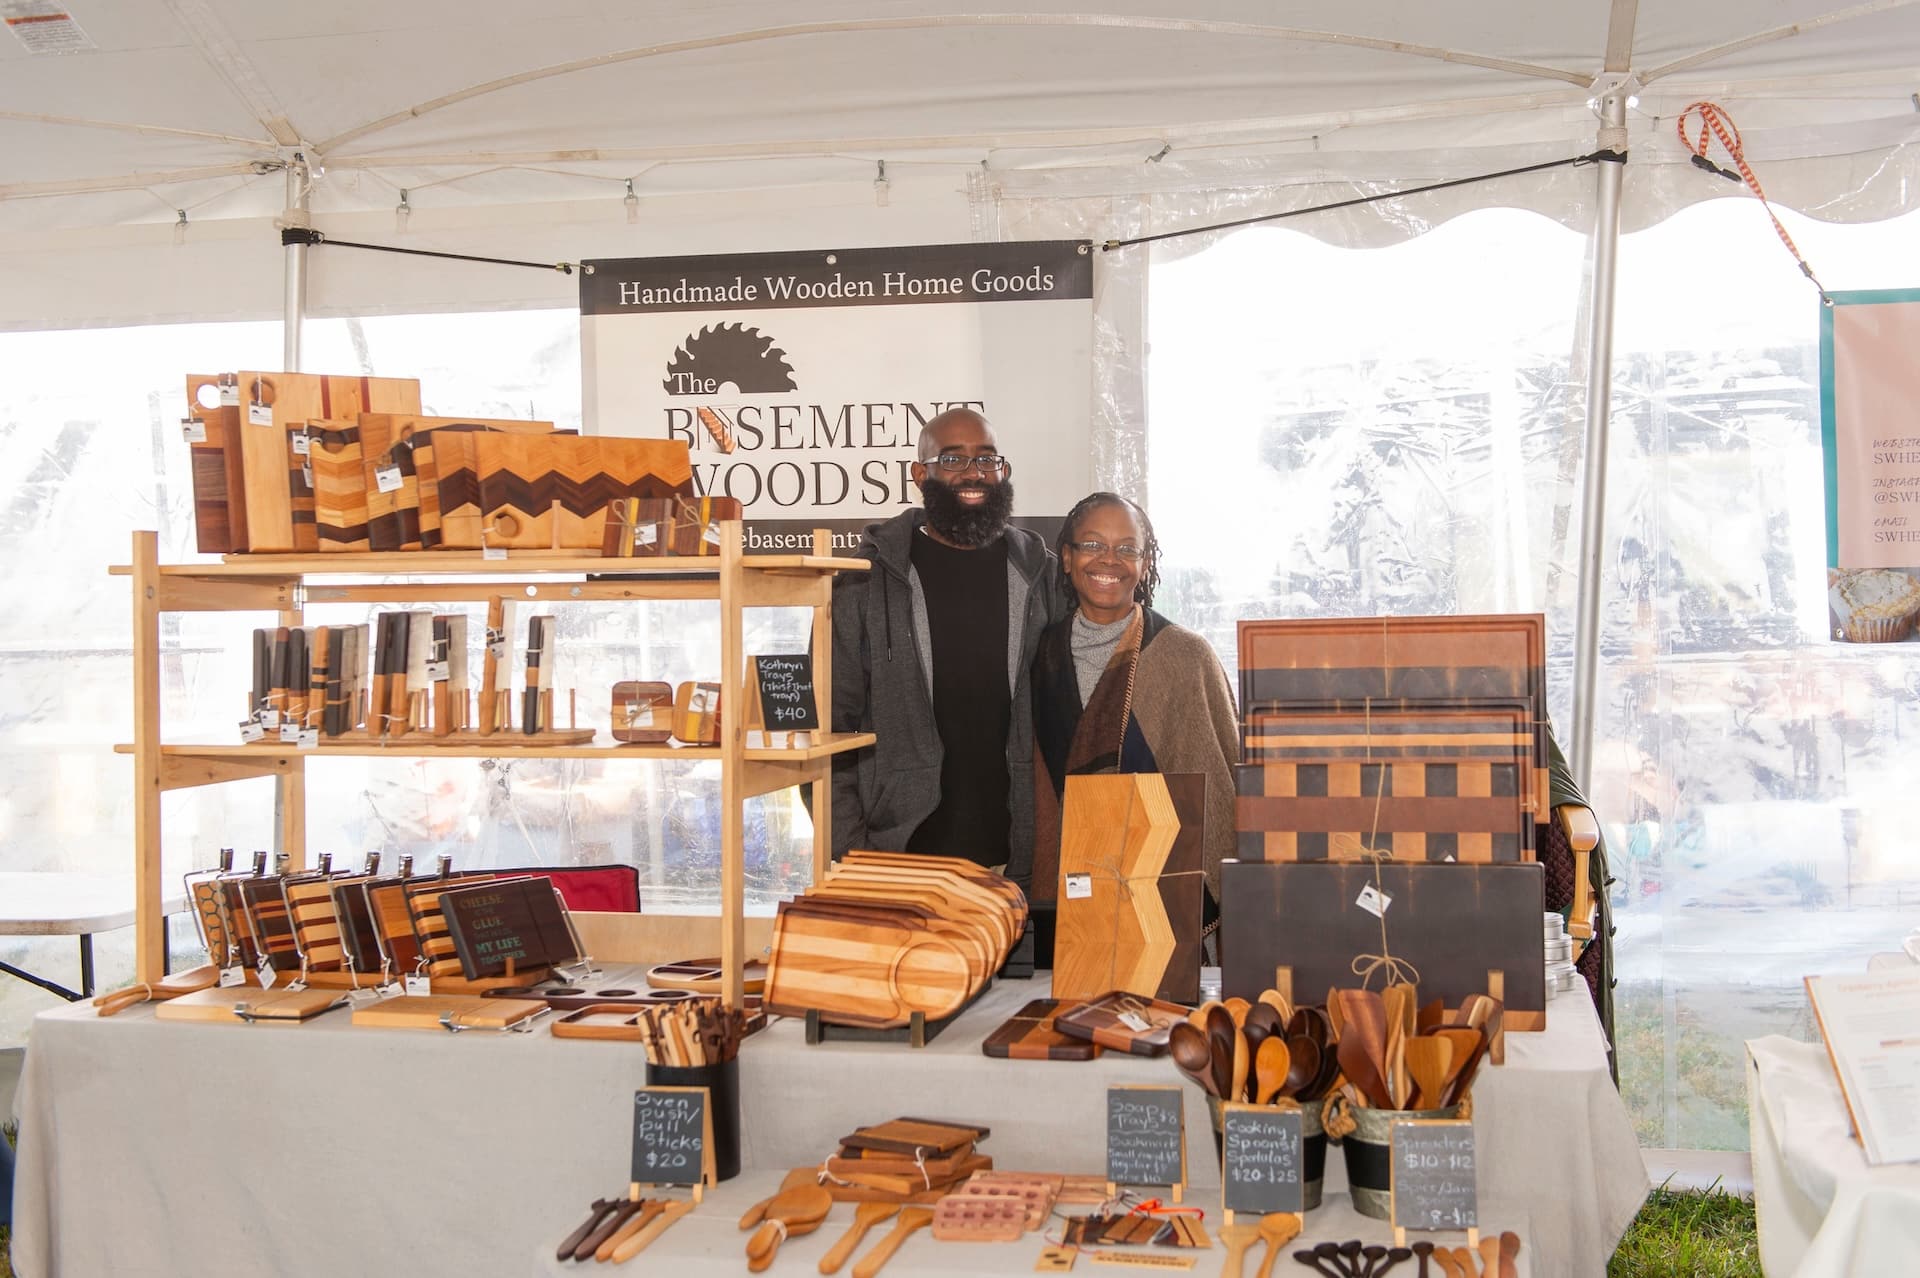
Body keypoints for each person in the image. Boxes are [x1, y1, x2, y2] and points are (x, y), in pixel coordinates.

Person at [830, 408, 1069, 911]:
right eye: (953, 459)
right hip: (900, 861)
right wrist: (854, 853)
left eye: (987, 459)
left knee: (1010, 992)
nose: (974, 473)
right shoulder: (863, 580)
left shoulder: (1038, 575)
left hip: (1010, 860)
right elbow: (829, 728)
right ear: (920, 474)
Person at [1030, 492, 1239, 961]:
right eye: (1092, 545)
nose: (1110, 559)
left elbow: (1221, 790)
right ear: (1066, 557)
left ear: (1146, 564)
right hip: (1073, 890)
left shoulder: (1185, 656)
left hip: (1166, 899)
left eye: (1128, 548)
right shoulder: (1040, 655)